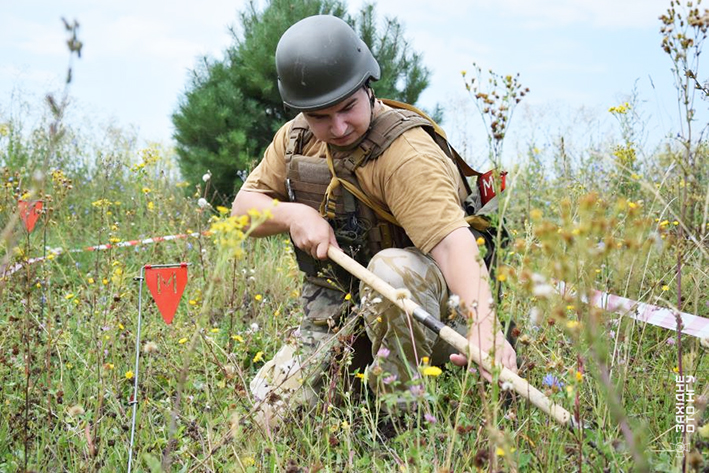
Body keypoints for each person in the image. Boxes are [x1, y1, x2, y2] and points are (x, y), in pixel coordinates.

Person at [231, 14, 517, 427]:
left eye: (348, 108)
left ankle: (401, 420)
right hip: (341, 317)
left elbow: (454, 244)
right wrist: (292, 213)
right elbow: (243, 209)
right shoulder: (295, 139)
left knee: (394, 272)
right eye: (320, 117)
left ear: (368, 86)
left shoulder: (406, 155)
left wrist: (485, 328)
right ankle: (358, 383)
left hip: (433, 323)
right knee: (269, 417)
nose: (338, 127)